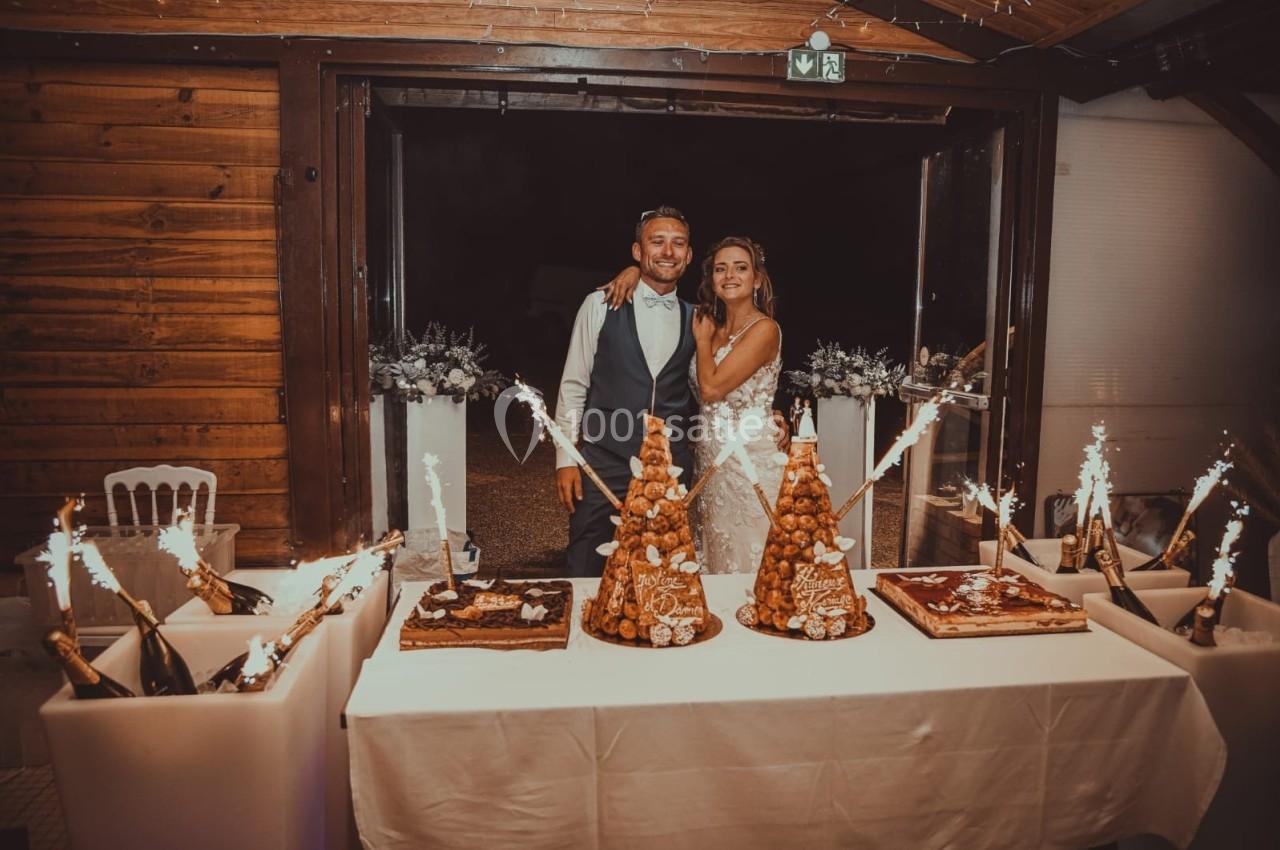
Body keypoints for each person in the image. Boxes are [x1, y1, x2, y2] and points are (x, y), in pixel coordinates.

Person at [601, 236, 786, 574]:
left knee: (749, 555)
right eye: (720, 268)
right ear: (711, 279)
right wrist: (631, 271)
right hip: (707, 460)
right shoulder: (709, 324)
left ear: (757, 279)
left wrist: (702, 341)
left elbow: (712, 388)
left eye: (740, 268)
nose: (730, 275)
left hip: (749, 463)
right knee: (711, 554)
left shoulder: (765, 330)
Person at [553, 207, 698, 578]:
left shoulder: (697, 317)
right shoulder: (599, 304)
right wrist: (566, 458)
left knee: (662, 572)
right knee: (586, 564)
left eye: (678, 243)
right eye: (658, 242)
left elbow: (712, 389)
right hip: (604, 461)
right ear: (637, 251)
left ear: (689, 255)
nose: (668, 252)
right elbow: (573, 385)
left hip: (669, 467)